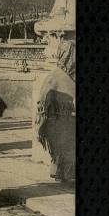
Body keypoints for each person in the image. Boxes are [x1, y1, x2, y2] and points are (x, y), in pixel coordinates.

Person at [35, 39, 75, 182]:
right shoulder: (56, 76)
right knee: (63, 147)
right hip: (58, 121)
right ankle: (63, 174)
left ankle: (63, 174)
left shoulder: (70, 76)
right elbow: (44, 103)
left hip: (66, 120)